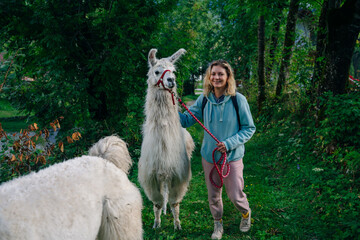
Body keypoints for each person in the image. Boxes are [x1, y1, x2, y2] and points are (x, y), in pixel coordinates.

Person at [179, 60, 256, 239]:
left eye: (221, 74)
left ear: (228, 77)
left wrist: (229, 143)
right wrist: (169, 106)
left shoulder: (238, 100)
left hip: (232, 157)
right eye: (213, 74)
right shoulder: (204, 99)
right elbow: (186, 121)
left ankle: (245, 214)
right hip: (209, 157)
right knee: (213, 195)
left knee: (235, 195)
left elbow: (249, 128)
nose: (216, 77)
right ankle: (217, 224)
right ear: (209, 76)